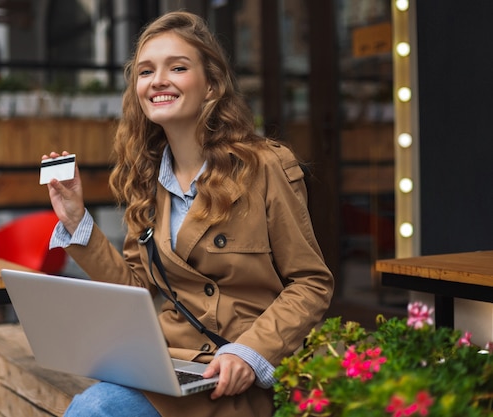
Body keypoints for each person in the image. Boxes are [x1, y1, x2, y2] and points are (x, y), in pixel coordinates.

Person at [43, 10, 334, 417]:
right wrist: (76, 220)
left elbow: (310, 284)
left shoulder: (265, 165)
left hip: (240, 373)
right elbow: (136, 290)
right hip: (170, 368)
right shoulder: (145, 179)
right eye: (146, 71)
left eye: (177, 67)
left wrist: (251, 353)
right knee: (94, 407)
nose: (158, 80)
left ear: (211, 84)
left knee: (94, 410)